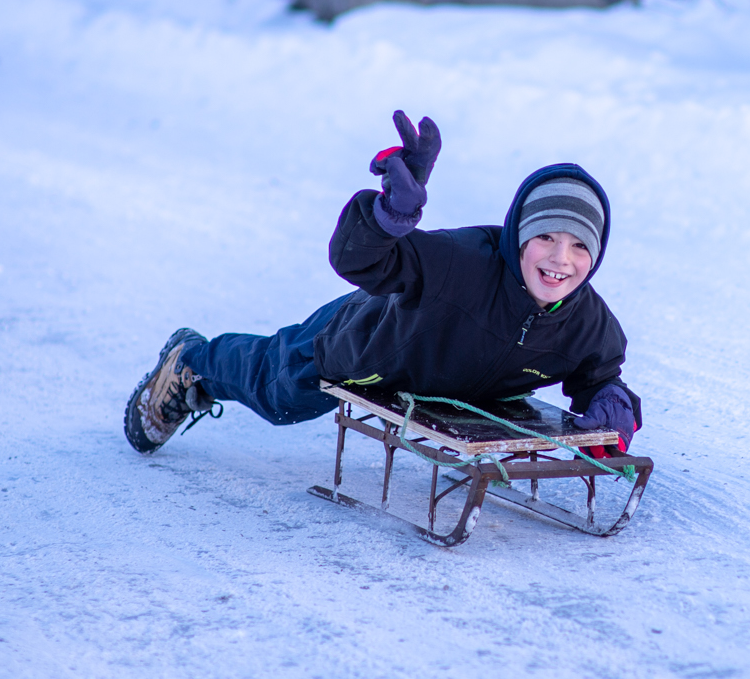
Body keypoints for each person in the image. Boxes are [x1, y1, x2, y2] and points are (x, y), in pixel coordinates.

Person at [124, 111, 642, 457]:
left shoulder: (589, 324)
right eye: (546, 237)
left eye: (580, 246)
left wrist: (610, 404)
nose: (559, 259)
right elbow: (364, 262)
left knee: (280, 393)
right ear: (518, 236)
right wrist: (389, 217)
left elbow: (599, 374)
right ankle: (194, 364)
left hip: (442, 388)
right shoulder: (459, 263)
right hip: (363, 349)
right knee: (278, 392)